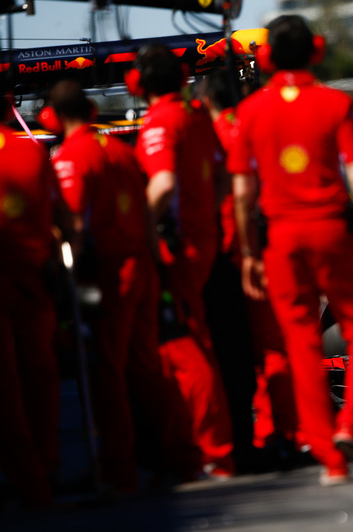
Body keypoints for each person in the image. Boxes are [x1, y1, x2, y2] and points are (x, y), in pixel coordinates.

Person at [229, 15, 353, 486]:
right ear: (316, 51)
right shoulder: (335, 102)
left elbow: (242, 193)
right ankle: (352, 424)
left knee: (300, 347)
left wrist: (249, 253)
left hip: (281, 239)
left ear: (266, 58)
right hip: (333, 234)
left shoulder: (250, 112)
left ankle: (332, 461)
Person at [47, 79, 197, 492]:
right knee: (148, 368)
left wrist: (66, 277)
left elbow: (74, 226)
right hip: (144, 267)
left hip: (109, 276)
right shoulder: (121, 150)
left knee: (107, 374)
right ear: (93, 112)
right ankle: (180, 456)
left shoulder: (70, 158)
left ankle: (119, 466)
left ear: (52, 118)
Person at [128, 44, 235, 479]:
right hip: (202, 240)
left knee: (184, 349)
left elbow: (163, 184)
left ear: (138, 85)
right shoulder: (196, 117)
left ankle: (211, 449)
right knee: (193, 343)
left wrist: (139, 227)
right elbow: (224, 178)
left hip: (176, 248)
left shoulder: (160, 120)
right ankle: (203, 448)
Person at [195, 70, 300, 471]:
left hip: (229, 254)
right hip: (267, 242)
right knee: (275, 345)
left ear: (206, 101)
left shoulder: (210, 134)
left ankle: (257, 436)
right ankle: (286, 431)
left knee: (238, 353)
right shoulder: (257, 123)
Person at [0, 86, 68, 508]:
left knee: (7, 388)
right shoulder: (32, 152)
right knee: (41, 377)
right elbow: (62, 218)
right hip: (37, 278)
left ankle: (30, 479)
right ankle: (48, 465)